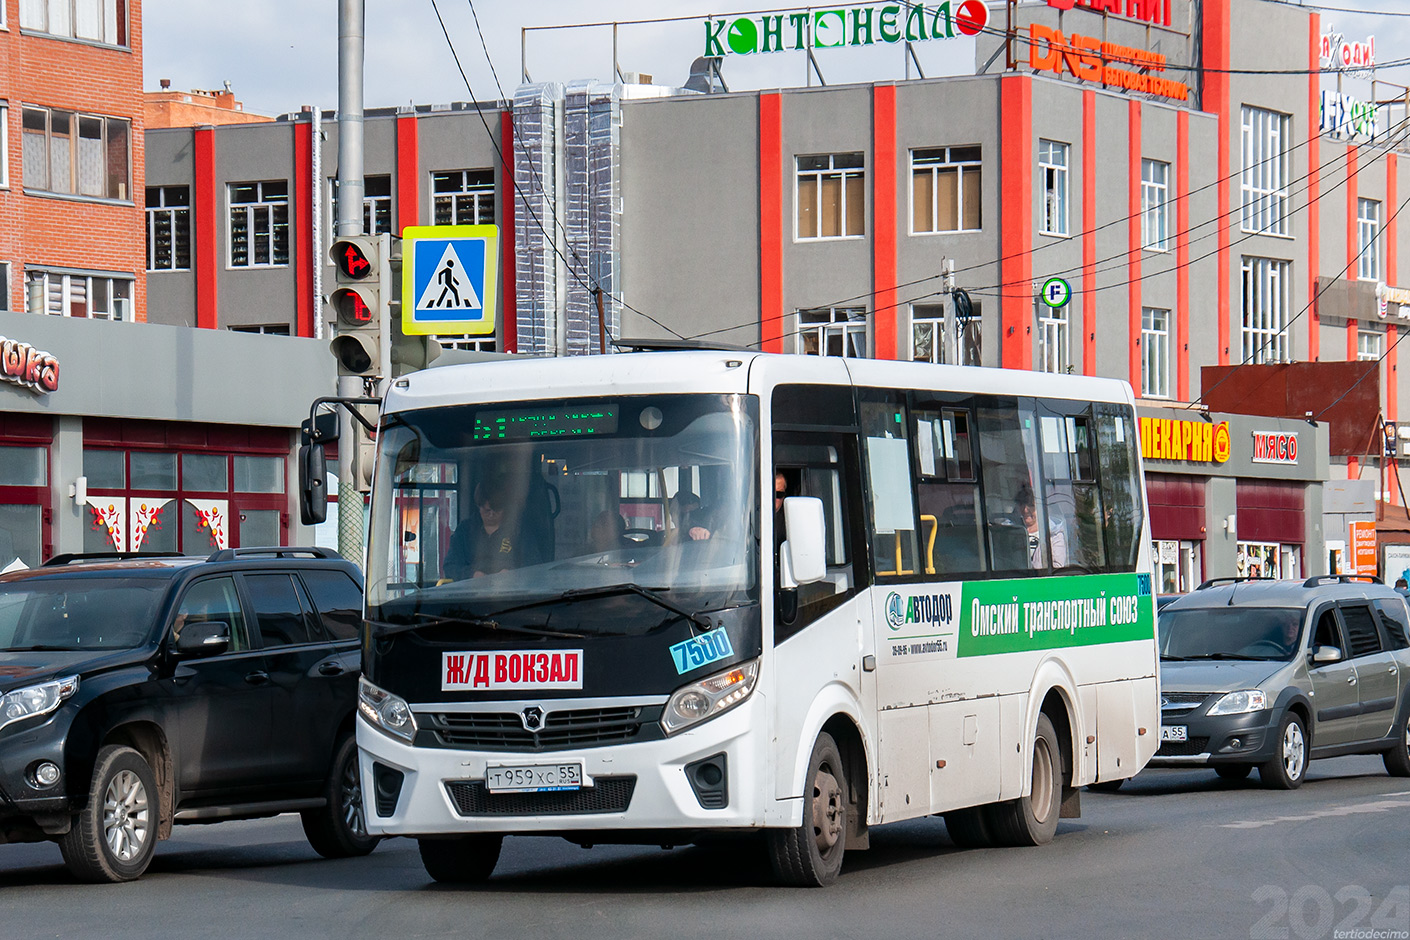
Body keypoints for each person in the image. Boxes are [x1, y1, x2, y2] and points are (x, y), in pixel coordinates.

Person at [444, 477, 523, 580]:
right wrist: (472, 574)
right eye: (487, 510)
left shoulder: (518, 530)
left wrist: (512, 573)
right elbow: (450, 567)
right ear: (479, 506)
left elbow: (534, 565)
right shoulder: (464, 531)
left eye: (496, 510)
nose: (491, 515)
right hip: (471, 593)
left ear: (504, 508)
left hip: (514, 593)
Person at [1015, 482, 1067, 569]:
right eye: (1021, 505)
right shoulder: (1009, 529)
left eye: (1031, 505)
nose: (1025, 510)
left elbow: (1058, 567)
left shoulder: (1054, 534)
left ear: (1040, 508)